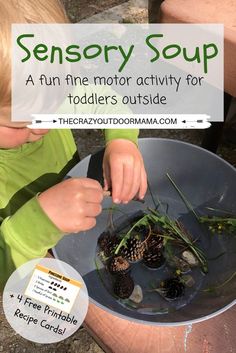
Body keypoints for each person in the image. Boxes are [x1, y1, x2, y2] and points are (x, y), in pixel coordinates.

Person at [0, 0, 147, 288]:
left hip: (76, 215)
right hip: (32, 259)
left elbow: (104, 101)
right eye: (19, 123)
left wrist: (122, 141)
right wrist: (38, 223)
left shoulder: (38, 89)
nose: (43, 126)